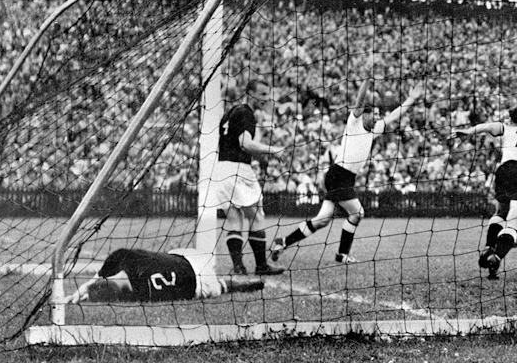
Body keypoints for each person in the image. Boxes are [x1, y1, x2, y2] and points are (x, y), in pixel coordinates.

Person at [270, 79, 423, 264]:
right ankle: (342, 254)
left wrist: (411, 99)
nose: (377, 117)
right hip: (338, 175)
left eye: (378, 114)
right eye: (374, 114)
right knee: (357, 213)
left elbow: (394, 115)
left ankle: (283, 242)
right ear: (365, 114)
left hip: (344, 178)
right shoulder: (354, 123)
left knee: (322, 219)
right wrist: (366, 82)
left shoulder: (374, 129)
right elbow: (359, 102)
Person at [453, 105, 517, 280]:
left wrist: (469, 132)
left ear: (512, 120)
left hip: (507, 170)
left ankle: (489, 246)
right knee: (513, 223)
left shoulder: (508, 128)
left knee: (501, 212)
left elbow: (489, 126)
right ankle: (497, 256)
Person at [214, 80, 286, 276]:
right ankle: (261, 266)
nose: (266, 98)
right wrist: (274, 150)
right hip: (238, 169)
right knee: (256, 216)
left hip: (222, 169)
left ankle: (238, 267)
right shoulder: (246, 113)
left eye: (267, 94)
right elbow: (245, 143)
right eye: (262, 94)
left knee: (234, 219)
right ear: (250, 93)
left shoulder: (231, 112)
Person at [64, 246, 264, 304]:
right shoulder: (123, 256)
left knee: (219, 287)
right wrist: (84, 288)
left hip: (200, 287)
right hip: (192, 258)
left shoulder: (140, 295)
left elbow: (102, 284)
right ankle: (236, 283)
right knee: (167, 256)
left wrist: (88, 293)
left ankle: (232, 285)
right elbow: (99, 277)